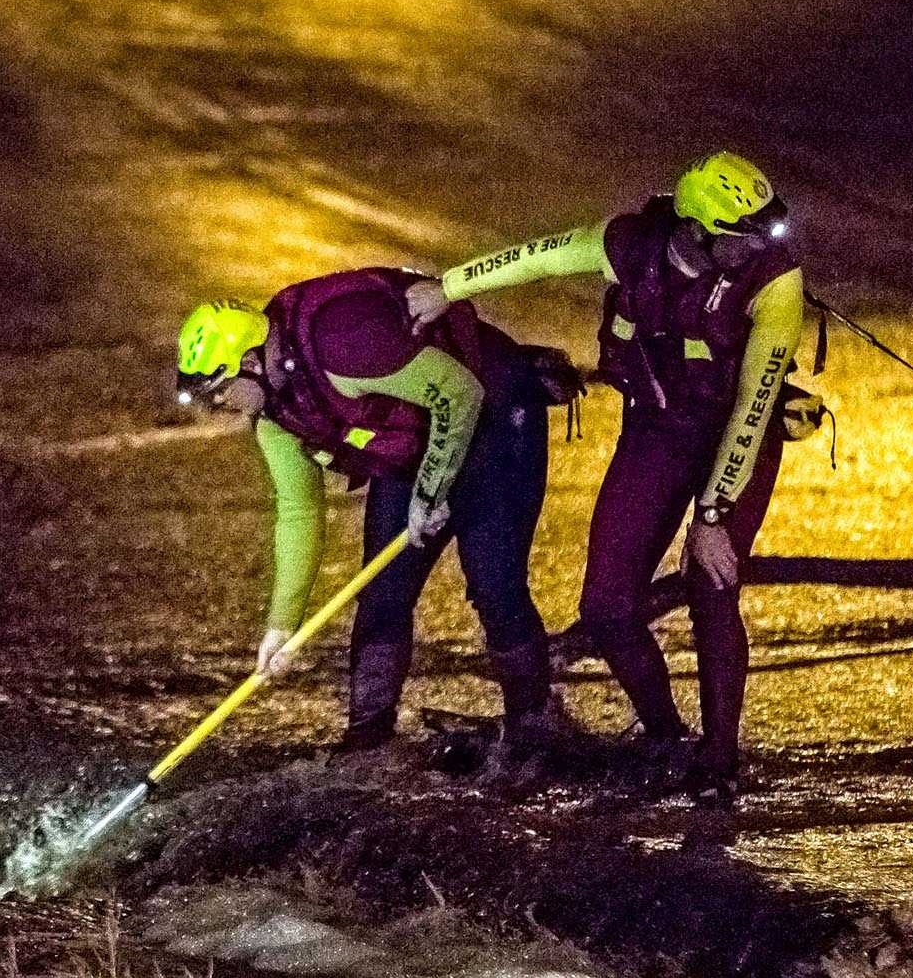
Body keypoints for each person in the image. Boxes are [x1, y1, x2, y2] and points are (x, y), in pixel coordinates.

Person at [408, 152, 818, 793]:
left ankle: (718, 763)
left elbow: (753, 404)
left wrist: (712, 516)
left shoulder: (776, 283)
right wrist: (448, 288)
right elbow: (536, 257)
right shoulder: (628, 245)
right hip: (655, 432)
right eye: (740, 238)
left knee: (711, 586)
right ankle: (665, 741)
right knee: (605, 608)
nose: (756, 250)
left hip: (738, 439)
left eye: (764, 235)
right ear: (695, 230)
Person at [174, 267, 578, 753]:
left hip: (492, 410)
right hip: (417, 439)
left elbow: (459, 393)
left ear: (253, 362)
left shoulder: (343, 343)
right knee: (383, 591)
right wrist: (282, 625)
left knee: (494, 582)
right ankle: (367, 736)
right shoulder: (274, 418)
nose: (221, 408)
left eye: (219, 394)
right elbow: (299, 513)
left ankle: (533, 726)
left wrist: (430, 494)